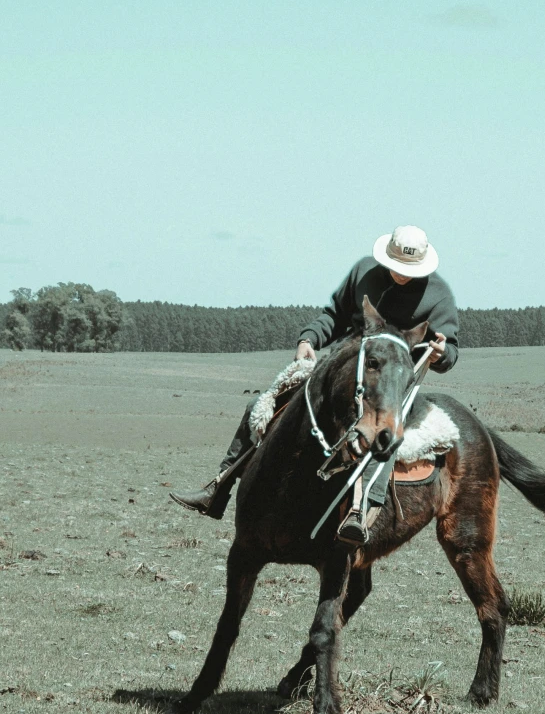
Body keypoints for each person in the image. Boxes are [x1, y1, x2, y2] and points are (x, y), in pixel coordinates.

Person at [171, 225, 460, 525]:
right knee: (267, 404)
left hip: (391, 381)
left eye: (408, 269)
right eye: (395, 266)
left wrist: (441, 353)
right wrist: (308, 339)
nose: (400, 274)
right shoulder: (364, 271)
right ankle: (219, 487)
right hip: (342, 367)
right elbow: (334, 314)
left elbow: (450, 350)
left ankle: (360, 511)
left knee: (384, 434)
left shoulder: (438, 295)